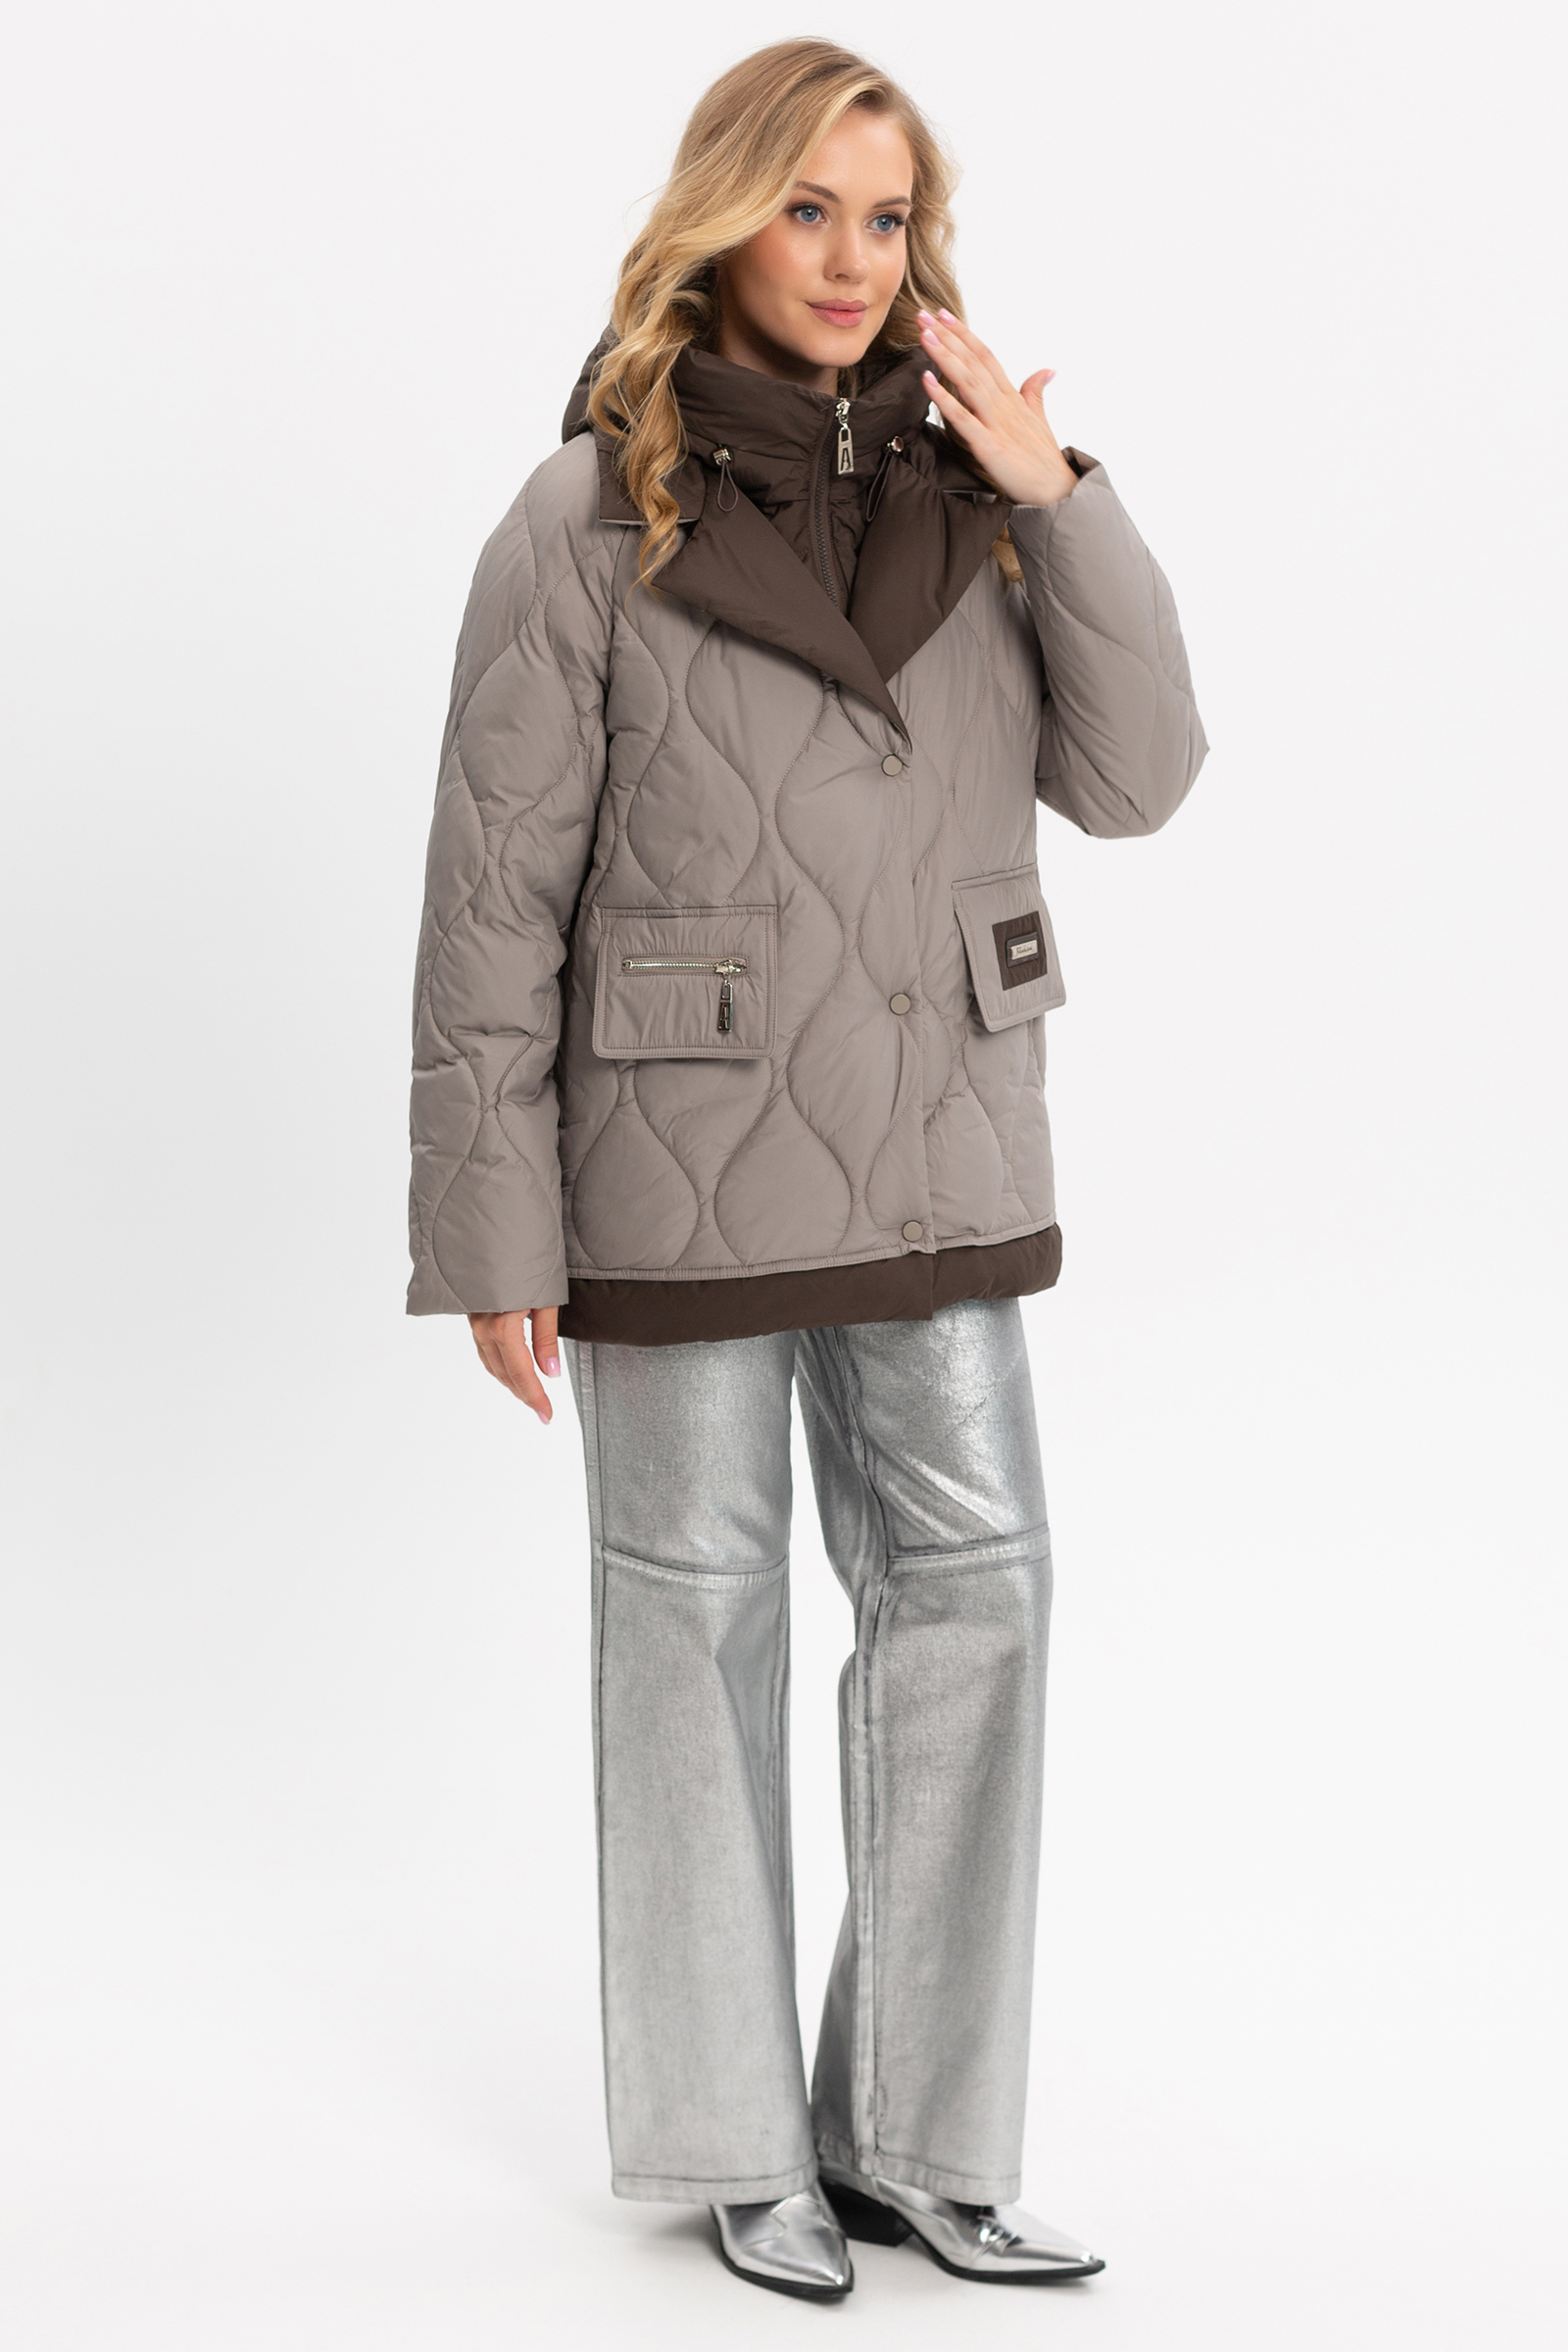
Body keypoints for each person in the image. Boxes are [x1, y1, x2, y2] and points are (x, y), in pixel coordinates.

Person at [408, 37, 1205, 2303]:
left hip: (938, 1135)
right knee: (692, 1626)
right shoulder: (585, 520)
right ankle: (732, 2142)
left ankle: (917, 2142)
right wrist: (489, 1225)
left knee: (978, 1597)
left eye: (885, 216)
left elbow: (1139, 780)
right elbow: (489, 899)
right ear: (722, 214)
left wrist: (1061, 494)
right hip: (676, 1149)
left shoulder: (984, 497)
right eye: (805, 208)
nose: (849, 256)